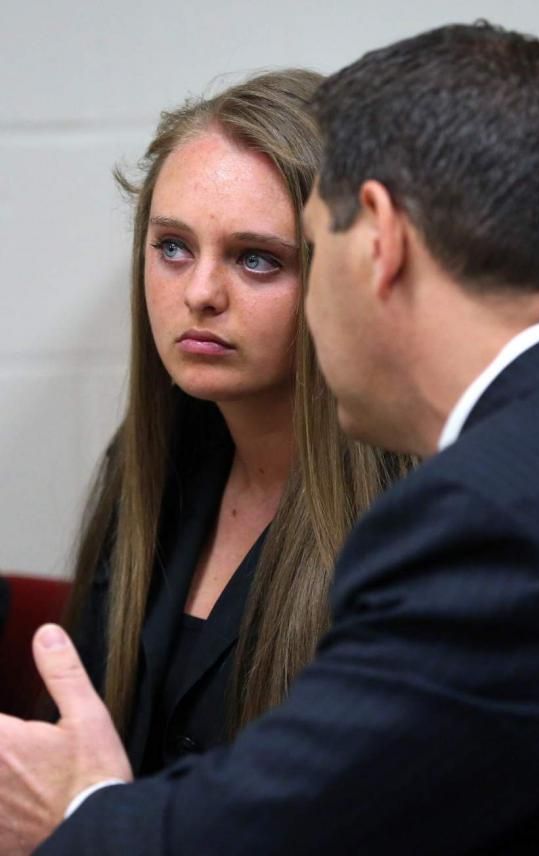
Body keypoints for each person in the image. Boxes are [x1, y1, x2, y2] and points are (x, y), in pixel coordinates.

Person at [1, 20, 539, 855]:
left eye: (271, 256)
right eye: (170, 247)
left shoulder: (477, 513)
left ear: (376, 241)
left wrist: (76, 815)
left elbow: (291, 829)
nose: (201, 293)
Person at [48, 69, 413, 773]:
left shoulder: (409, 515)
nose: (201, 293)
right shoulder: (154, 457)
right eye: (173, 247)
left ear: (348, 275)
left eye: (257, 260)